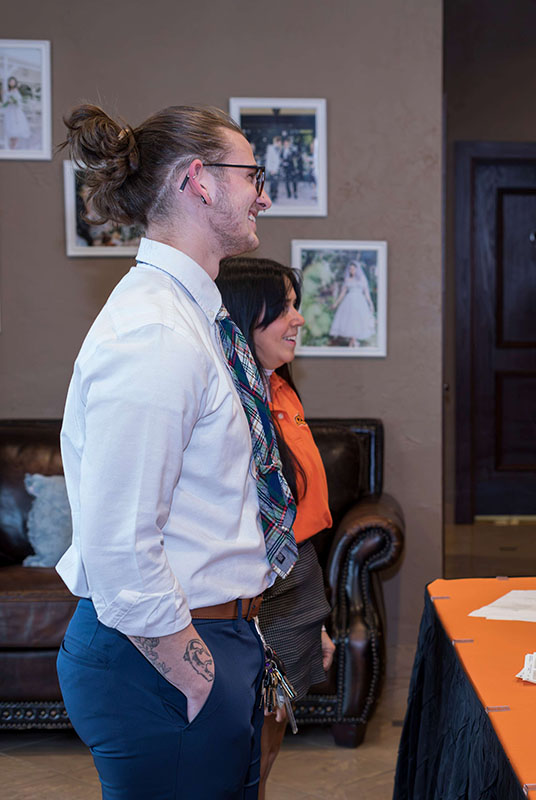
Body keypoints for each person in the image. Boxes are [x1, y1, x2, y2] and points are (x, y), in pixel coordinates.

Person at [55, 103, 288, 799]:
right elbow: (121, 545)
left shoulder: (191, 313)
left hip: (208, 638)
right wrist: (197, 678)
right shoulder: (155, 332)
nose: (265, 194)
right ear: (201, 180)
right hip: (157, 655)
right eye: (253, 174)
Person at [216, 257, 336, 798]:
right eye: (283, 307)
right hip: (256, 593)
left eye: (295, 303)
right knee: (244, 744)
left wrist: (317, 623)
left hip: (297, 582)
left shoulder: (281, 392)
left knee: (268, 737)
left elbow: (299, 513)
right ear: (245, 317)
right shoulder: (226, 404)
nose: (298, 319)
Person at [329, 260, 376, 346]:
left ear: (357, 269)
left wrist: (370, 304)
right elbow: (342, 293)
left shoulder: (362, 279)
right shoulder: (348, 279)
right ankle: (353, 340)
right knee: (350, 320)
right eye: (350, 269)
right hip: (349, 301)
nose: (352, 270)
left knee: (357, 320)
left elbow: (366, 293)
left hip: (360, 301)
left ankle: (353, 341)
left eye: (353, 269)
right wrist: (336, 304)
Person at [2, 76, 32, 150]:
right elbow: (5, 103)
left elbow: (19, 102)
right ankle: (11, 145)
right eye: (10, 81)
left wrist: (14, 101)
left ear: (15, 83)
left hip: (16, 112)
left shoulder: (16, 91)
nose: (12, 83)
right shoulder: (6, 91)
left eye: (13, 81)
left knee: (17, 127)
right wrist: (8, 102)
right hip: (10, 111)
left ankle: (14, 146)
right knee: (10, 127)